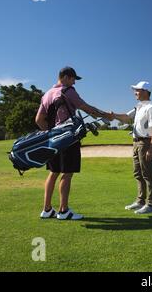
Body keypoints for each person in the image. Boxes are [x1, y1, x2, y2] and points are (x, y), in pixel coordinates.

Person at [35, 66, 115, 220]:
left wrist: (52, 134)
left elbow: (38, 120)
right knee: (67, 174)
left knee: (53, 173)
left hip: (53, 141)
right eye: (72, 79)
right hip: (68, 139)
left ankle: (47, 209)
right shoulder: (68, 91)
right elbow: (86, 108)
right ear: (65, 77)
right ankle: (63, 211)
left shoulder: (46, 95)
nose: (74, 83)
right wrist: (106, 115)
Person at [113, 81, 152, 214]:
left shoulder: (151, 107)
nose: (135, 92)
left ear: (145, 91)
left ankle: (150, 204)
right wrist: (113, 115)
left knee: (148, 174)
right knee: (138, 173)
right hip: (135, 142)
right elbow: (127, 117)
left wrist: (151, 148)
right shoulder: (139, 106)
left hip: (145, 143)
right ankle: (140, 201)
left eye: (137, 90)